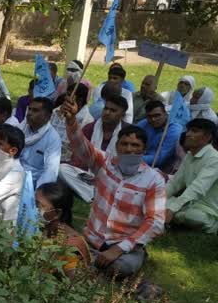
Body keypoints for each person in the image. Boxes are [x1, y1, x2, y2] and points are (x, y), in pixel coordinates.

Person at [62, 95, 166, 279]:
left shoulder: (153, 180)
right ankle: (91, 261)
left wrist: (118, 249)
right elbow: (81, 146)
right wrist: (71, 120)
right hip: (93, 238)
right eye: (124, 144)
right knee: (60, 246)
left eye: (135, 145)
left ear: (143, 150)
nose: (129, 149)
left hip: (124, 245)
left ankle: (91, 264)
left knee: (121, 267)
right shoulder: (105, 163)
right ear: (117, 146)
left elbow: (154, 223)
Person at [58, 93, 128, 203]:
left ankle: (98, 194)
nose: (107, 113)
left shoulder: (127, 133)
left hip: (113, 178)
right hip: (89, 175)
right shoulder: (90, 127)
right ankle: (94, 196)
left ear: (122, 114)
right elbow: (78, 155)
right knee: (62, 170)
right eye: (106, 108)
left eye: (113, 110)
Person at [164, 118, 218, 234]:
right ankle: (174, 215)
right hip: (187, 204)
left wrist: (173, 208)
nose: (188, 134)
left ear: (207, 137)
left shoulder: (214, 159)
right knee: (159, 202)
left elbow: (198, 188)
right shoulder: (189, 155)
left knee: (192, 216)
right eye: (188, 131)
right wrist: (156, 199)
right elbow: (175, 183)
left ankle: (213, 225)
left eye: (194, 131)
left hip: (207, 209)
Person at [35, 182, 92, 276]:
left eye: (38, 205)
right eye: (33, 202)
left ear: (57, 213)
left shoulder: (72, 245)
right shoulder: (38, 228)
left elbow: (73, 285)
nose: (34, 208)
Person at [17, 97, 61, 188]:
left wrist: (38, 193)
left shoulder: (53, 138)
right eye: (29, 109)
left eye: (35, 110)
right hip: (13, 172)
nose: (29, 113)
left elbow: (50, 172)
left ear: (48, 116)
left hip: (32, 182)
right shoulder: (21, 128)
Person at [137, 100, 182, 171]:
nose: (153, 119)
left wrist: (133, 159)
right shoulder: (143, 123)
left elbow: (160, 159)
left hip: (163, 168)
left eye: (157, 115)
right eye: (149, 116)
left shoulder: (174, 130)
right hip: (139, 161)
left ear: (165, 114)